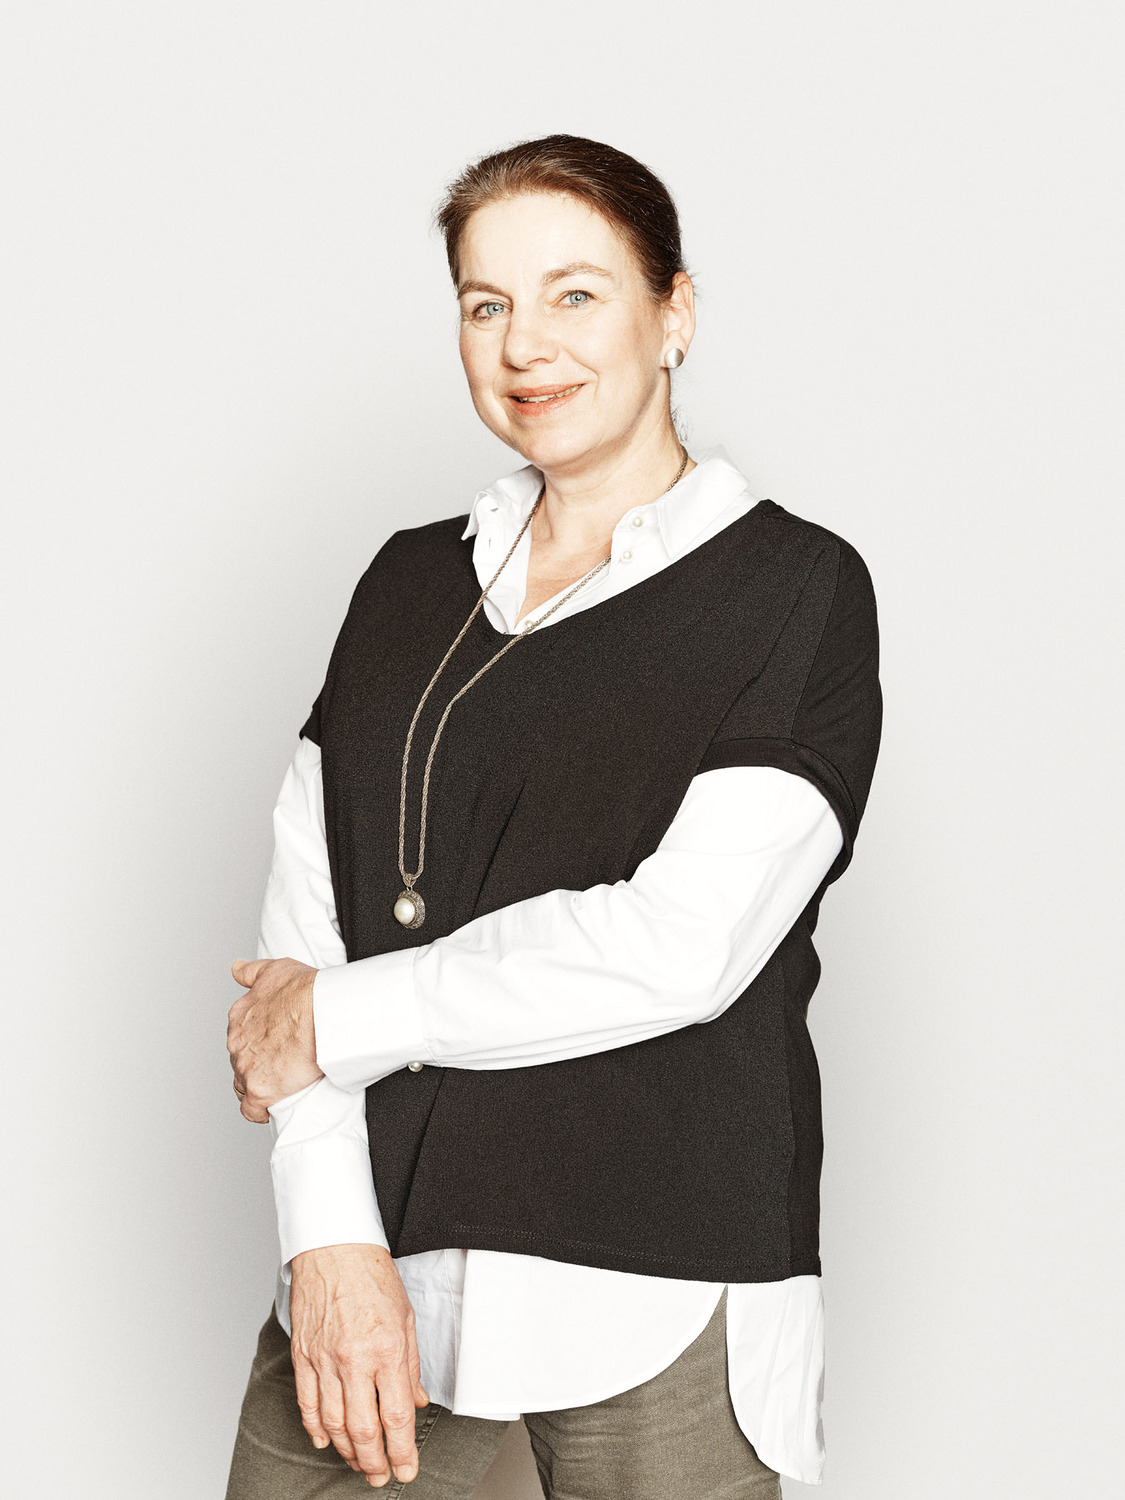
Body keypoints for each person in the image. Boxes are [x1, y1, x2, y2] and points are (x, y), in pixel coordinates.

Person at [224, 134, 881, 1500]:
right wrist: (325, 1231)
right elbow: (307, 910)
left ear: (674, 314)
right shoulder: (405, 585)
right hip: (380, 1266)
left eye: (575, 294)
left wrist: (336, 1021)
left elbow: (680, 945)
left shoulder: (795, 591)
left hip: (656, 1280)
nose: (526, 344)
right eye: (487, 304)